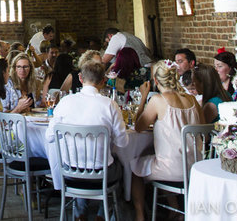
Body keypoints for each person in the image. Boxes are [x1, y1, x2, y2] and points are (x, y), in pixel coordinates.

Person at [45, 59, 129, 219]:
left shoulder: (65, 102)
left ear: (81, 79)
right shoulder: (110, 105)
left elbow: (50, 136)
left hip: (70, 172)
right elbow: (122, 142)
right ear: (103, 81)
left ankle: (80, 214)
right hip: (102, 173)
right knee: (121, 168)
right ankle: (102, 214)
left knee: (80, 166)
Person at [130, 61, 203, 221]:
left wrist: (143, 97)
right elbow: (202, 128)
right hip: (195, 167)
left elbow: (138, 127)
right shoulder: (192, 100)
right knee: (155, 157)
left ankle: (140, 215)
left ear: (155, 81)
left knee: (135, 166)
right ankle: (175, 209)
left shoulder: (158, 100)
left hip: (172, 169)